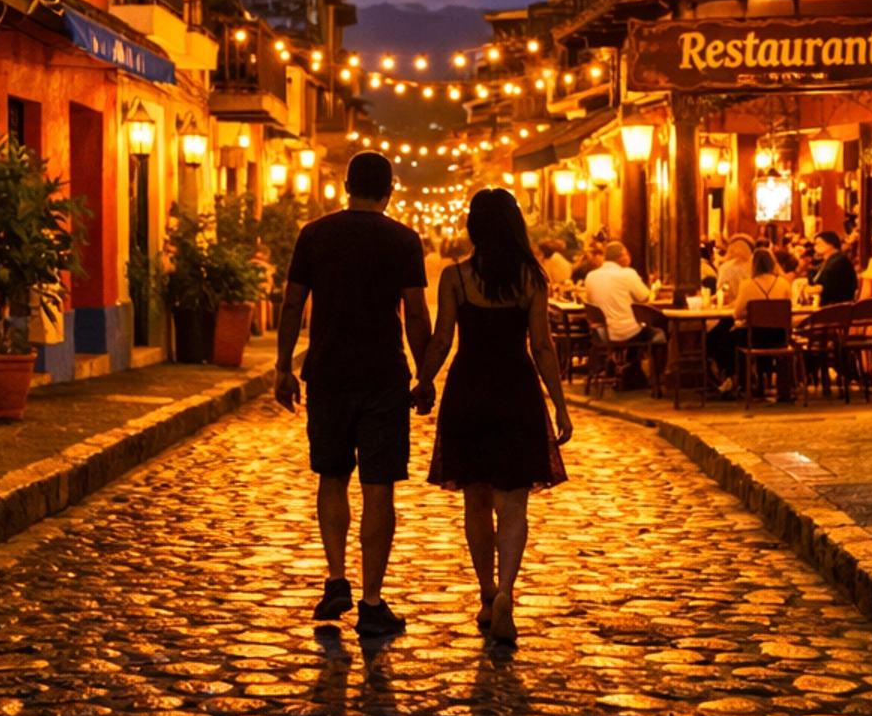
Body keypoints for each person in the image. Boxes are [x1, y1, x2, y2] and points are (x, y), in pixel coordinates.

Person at [274, 150, 430, 638]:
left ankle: (336, 579)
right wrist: (425, 376)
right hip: (384, 376)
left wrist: (283, 367)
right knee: (379, 487)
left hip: (326, 374)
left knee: (332, 476)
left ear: (346, 186)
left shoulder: (314, 235)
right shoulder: (404, 240)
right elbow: (417, 314)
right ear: (389, 191)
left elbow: (292, 303)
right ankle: (371, 600)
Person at [416, 189, 571, 646]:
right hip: (516, 390)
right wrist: (560, 404)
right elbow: (542, 346)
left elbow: (443, 339)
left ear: (474, 227)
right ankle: (507, 591)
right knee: (514, 503)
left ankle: (485, 593)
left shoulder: (456, 278)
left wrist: (423, 381)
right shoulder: (531, 278)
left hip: (468, 389)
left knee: (476, 500)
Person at [583, 239, 665, 387]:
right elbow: (645, 296)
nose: (629, 257)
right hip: (627, 332)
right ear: (621, 256)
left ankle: (630, 370)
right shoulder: (627, 274)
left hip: (601, 332)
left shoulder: (591, 276)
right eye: (627, 254)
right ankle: (658, 381)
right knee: (660, 333)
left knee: (635, 325)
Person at [710, 244, 792, 383]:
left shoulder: (748, 285)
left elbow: (737, 313)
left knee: (723, 340)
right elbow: (789, 309)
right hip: (780, 337)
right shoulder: (784, 284)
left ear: (753, 265)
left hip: (754, 337)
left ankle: (737, 379)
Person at [813, 227, 859, 308]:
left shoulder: (839, 261)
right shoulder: (828, 261)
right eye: (815, 243)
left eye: (819, 242)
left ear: (831, 243)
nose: (816, 246)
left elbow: (829, 286)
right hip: (827, 302)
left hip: (837, 305)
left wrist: (812, 289)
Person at [715, 234, 753, 310]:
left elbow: (722, 293)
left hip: (728, 312)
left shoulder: (724, 268)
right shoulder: (753, 268)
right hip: (747, 312)